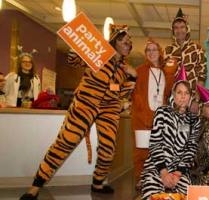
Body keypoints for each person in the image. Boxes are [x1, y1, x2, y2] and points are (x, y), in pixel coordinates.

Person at [19, 24, 137, 200]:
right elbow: (73, 61)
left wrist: (133, 77)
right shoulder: (98, 55)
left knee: (108, 149)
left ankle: (97, 183)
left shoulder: (124, 67)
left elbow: (122, 93)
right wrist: (76, 47)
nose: (128, 43)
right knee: (67, 141)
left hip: (110, 107)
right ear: (114, 42)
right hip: (86, 102)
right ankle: (35, 186)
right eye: (124, 40)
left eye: (129, 41)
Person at [140, 67, 201, 199]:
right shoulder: (162, 112)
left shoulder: (194, 120)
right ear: (173, 94)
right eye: (179, 92)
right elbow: (155, 144)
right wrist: (163, 172)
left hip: (180, 170)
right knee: (152, 195)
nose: (183, 96)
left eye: (186, 93)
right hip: (157, 166)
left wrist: (177, 174)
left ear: (190, 96)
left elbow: (191, 149)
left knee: (184, 195)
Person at [131, 39, 175, 184]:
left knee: (159, 150)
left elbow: (168, 94)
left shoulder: (166, 72)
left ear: (160, 52)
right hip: (142, 117)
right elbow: (132, 93)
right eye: (148, 50)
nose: (151, 53)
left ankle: (155, 179)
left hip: (161, 117)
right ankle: (140, 179)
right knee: (141, 151)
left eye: (154, 49)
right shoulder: (139, 71)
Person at [164, 8, 207, 113]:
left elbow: (202, 76)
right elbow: (165, 77)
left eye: (182, 27)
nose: (179, 30)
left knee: (192, 128)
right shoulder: (167, 51)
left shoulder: (197, 49)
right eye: (176, 28)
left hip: (192, 100)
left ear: (187, 28)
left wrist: (196, 100)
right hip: (173, 100)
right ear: (173, 30)